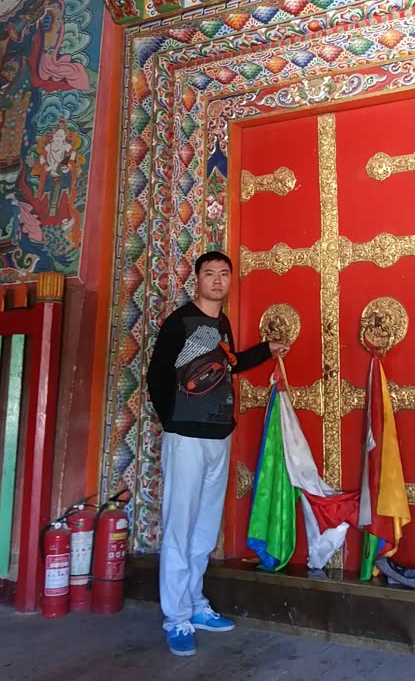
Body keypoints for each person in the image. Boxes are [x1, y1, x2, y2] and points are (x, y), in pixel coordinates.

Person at [146, 251, 289, 657]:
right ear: (197, 279)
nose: (217, 280)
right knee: (180, 526)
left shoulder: (221, 324)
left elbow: (229, 364)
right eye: (209, 273)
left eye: (224, 274)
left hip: (218, 436)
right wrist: (173, 421)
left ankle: (195, 604)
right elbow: (157, 375)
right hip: (186, 438)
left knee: (205, 528)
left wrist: (267, 349)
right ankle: (176, 618)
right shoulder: (180, 322)